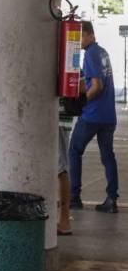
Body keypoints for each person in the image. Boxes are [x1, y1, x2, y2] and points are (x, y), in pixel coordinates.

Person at [69, 21, 119, 213]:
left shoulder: (90, 54)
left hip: (93, 115)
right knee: (108, 156)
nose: (79, 41)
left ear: (90, 35)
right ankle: (111, 199)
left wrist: (82, 102)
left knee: (74, 151)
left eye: (80, 37)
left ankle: (74, 196)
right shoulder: (103, 52)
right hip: (108, 116)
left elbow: (97, 85)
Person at [57, 99, 74, 235]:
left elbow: (82, 87)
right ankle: (62, 219)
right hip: (57, 119)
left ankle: (64, 221)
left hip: (58, 121)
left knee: (61, 169)